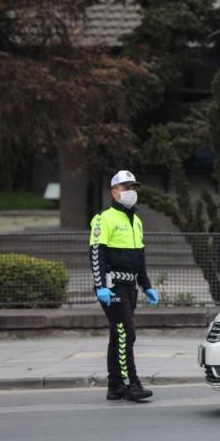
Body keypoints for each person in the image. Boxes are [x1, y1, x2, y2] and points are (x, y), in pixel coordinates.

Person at [89, 170, 160, 402]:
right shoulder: (104, 218)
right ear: (114, 192)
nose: (130, 192)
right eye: (125, 188)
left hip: (129, 287)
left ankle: (115, 386)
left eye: (133, 188)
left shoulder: (136, 221)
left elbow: (140, 258)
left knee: (118, 334)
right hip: (112, 285)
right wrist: (100, 285)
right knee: (126, 333)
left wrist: (146, 285)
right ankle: (132, 384)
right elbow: (96, 253)